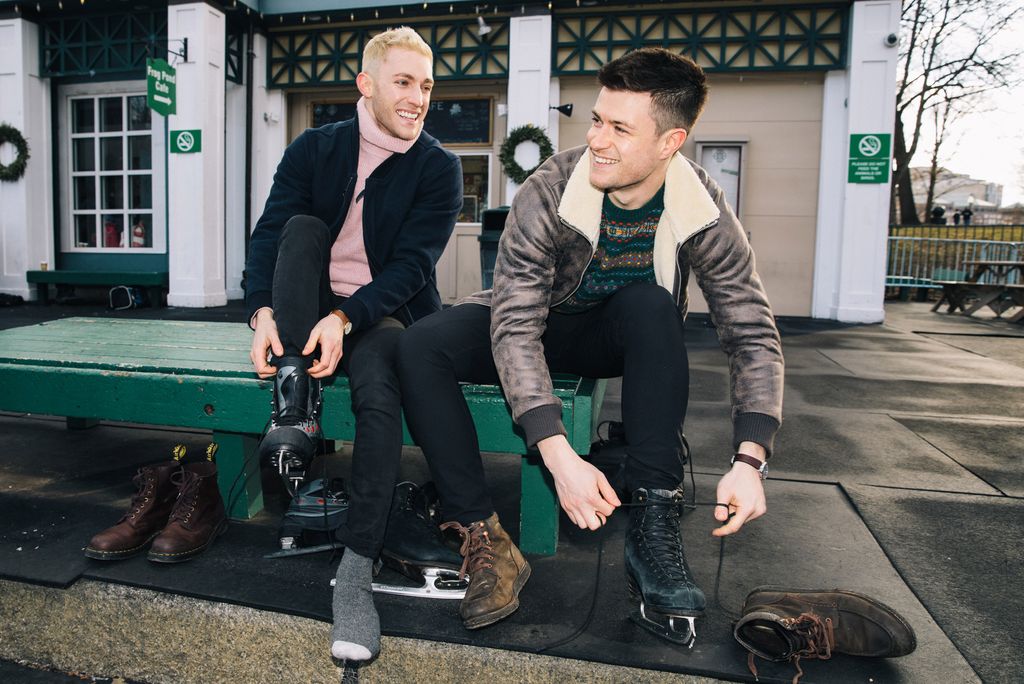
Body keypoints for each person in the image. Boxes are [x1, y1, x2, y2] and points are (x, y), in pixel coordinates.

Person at [397, 47, 783, 645]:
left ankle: (654, 522)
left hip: (611, 332)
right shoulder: (549, 189)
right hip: (536, 320)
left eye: (620, 128)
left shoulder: (701, 207)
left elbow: (750, 328)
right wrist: (558, 455)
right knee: (420, 345)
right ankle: (481, 532)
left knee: (653, 304)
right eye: (597, 119)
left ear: (669, 142)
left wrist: (750, 459)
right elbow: (517, 324)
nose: (598, 138)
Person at [243, 27, 462, 663]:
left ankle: (357, 569)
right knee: (303, 227)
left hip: (378, 311)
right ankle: (294, 404)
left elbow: (410, 269)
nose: (419, 97)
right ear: (366, 85)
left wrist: (343, 320)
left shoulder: (438, 168)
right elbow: (271, 238)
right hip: (298, 307)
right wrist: (261, 314)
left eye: (426, 86)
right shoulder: (315, 148)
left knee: (379, 391)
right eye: (404, 82)